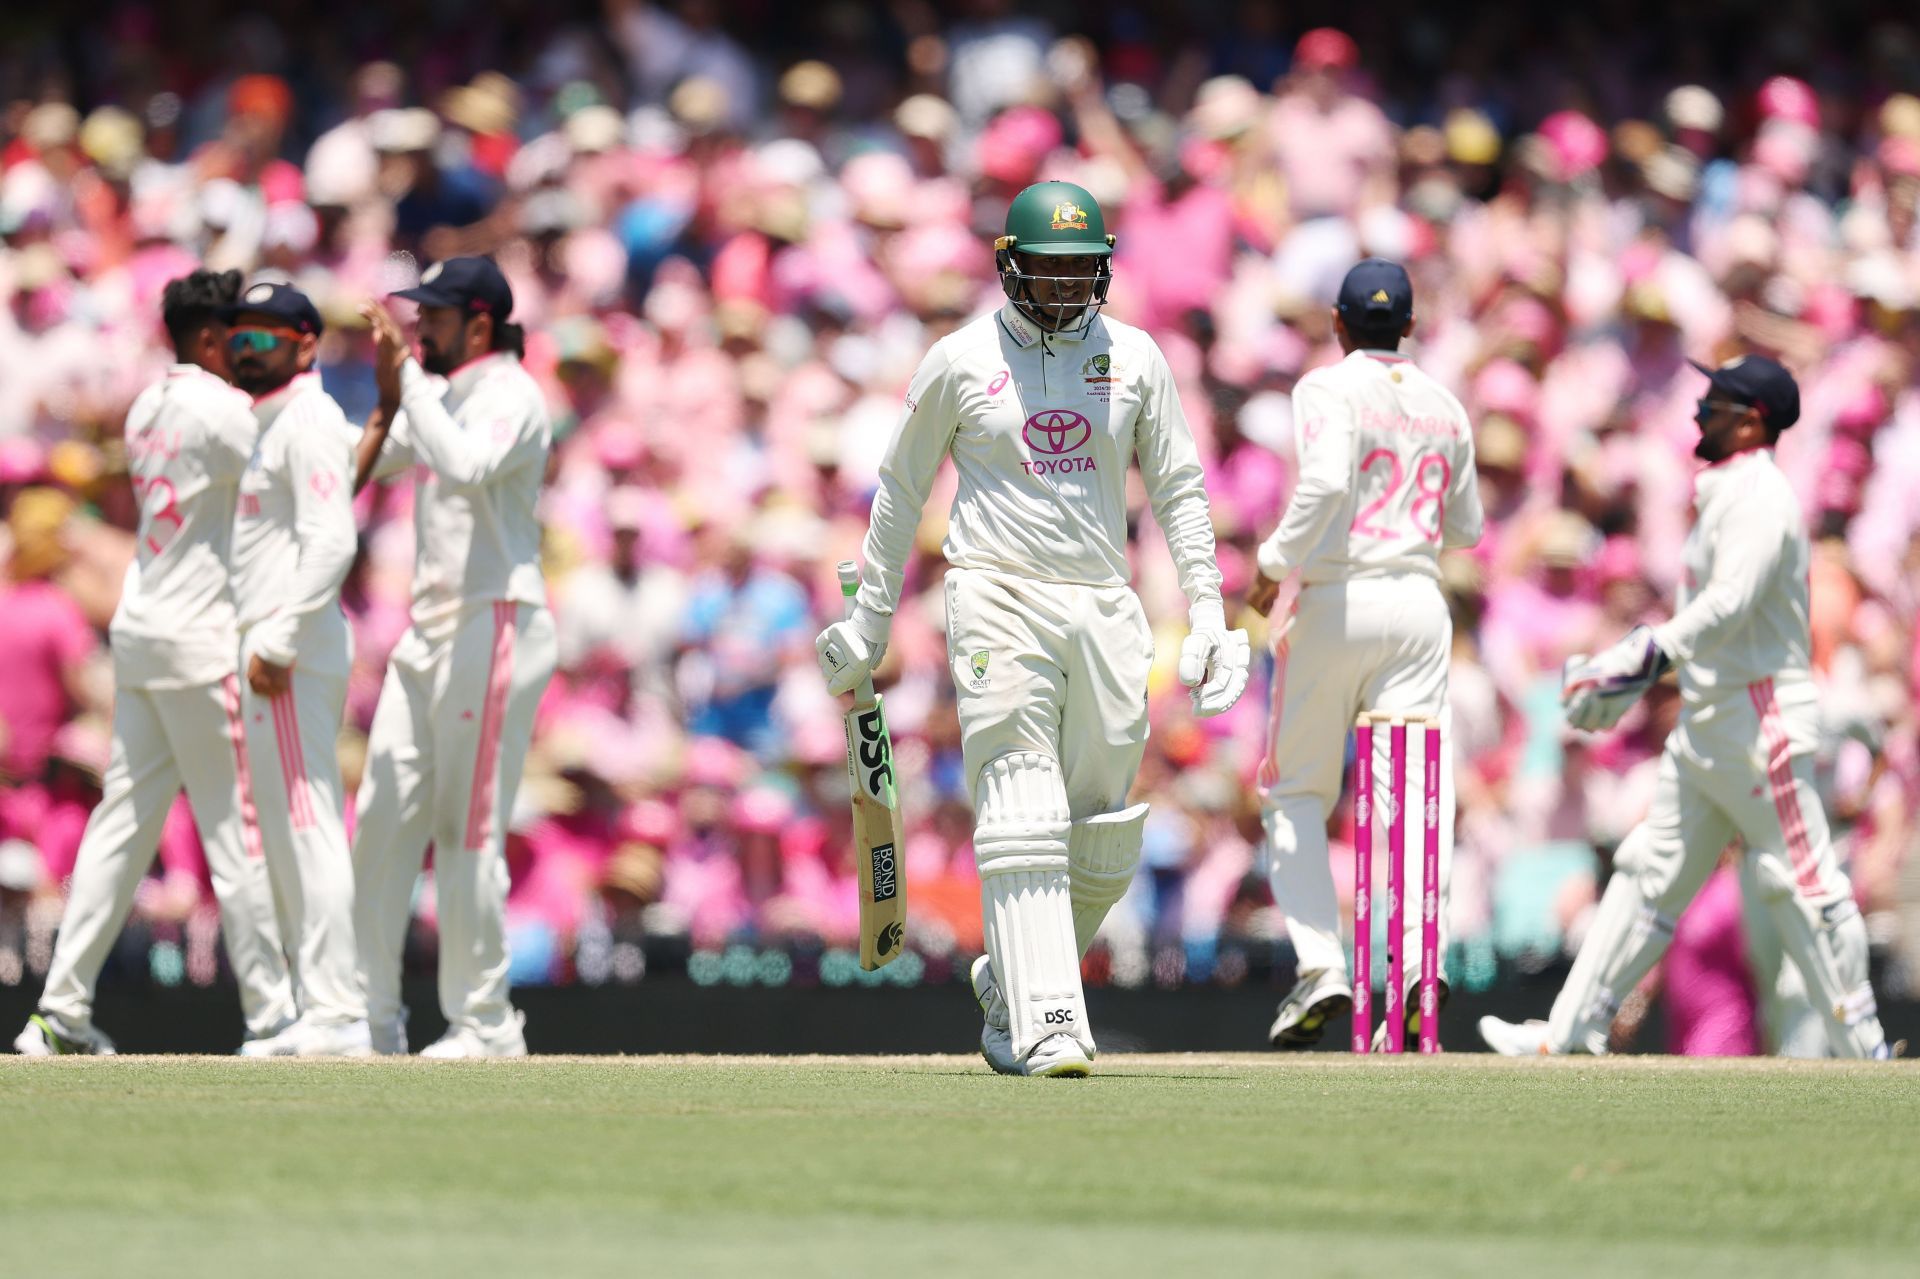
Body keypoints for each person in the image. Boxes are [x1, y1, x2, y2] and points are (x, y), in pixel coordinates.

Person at [814, 180, 1249, 1078]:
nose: (1062, 289)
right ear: (1009, 268)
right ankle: (1045, 1021)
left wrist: (1208, 609)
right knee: (1022, 806)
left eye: (1079, 271)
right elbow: (901, 488)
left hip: (1103, 599)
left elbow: (1177, 487)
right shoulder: (960, 359)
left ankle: (1010, 977)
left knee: (1103, 830)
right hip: (995, 592)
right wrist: (870, 621)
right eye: (1046, 272)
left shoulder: (1136, 358)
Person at [1480, 355, 1892, 1059]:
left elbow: (1728, 605)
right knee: (1648, 869)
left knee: (1801, 881)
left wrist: (1636, 661)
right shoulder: (1729, 491)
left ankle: (1864, 1048)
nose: (1701, 409)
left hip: (1760, 721)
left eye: (1718, 401)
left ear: (1753, 419)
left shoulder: (1762, 495)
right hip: (1711, 720)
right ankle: (1571, 1028)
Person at [15, 270, 296, 1056]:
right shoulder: (225, 410)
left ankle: (59, 1014)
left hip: (142, 630)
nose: (247, 349)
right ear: (210, 338)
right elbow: (298, 471)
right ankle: (274, 1019)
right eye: (237, 335)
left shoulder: (147, 404)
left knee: (122, 826)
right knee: (233, 827)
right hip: (197, 637)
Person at [1243, 258, 1483, 1050]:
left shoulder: (1326, 386)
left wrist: (1273, 564)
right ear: (1409, 326)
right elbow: (1467, 529)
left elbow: (1323, 486)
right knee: (1414, 793)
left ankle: (1322, 964)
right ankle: (1418, 959)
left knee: (1295, 792)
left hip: (1337, 596)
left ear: (1338, 325)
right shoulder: (1446, 404)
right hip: (1418, 601)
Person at [352, 256, 556, 1057]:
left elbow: (467, 465)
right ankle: (368, 1017)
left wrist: (405, 385)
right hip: (429, 627)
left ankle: (486, 1022)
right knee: (381, 818)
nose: (417, 329)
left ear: (478, 322)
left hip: (495, 618)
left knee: (466, 824)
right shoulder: (441, 394)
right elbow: (365, 457)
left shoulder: (512, 393)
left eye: (431, 315)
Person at [224, 281, 372, 1058]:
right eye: (240, 339)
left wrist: (277, 639)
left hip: (289, 645)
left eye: (266, 338)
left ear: (307, 344)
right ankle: (325, 1005)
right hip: (271, 641)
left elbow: (331, 540)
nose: (249, 351)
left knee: (309, 823)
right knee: (290, 827)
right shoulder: (271, 422)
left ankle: (338, 1010)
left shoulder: (308, 419)